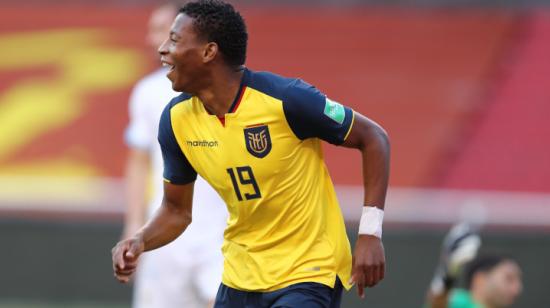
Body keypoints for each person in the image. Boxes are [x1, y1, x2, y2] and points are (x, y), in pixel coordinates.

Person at [112, 1, 391, 307]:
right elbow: (177, 211)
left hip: (308, 271)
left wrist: (370, 233)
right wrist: (140, 240)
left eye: (175, 40)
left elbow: (374, 137)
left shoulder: (286, 99)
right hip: (239, 277)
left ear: (208, 52)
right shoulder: (176, 120)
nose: (163, 49)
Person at [122, 2, 226, 308]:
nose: (153, 41)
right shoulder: (147, 92)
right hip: (166, 234)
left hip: (223, 234)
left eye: (161, 31)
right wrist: (134, 226)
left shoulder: (229, 91)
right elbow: (139, 162)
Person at [426, 224, 523, 308]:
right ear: (480, 279)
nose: (517, 289)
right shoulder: (459, 301)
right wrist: (448, 276)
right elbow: (438, 303)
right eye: (509, 279)